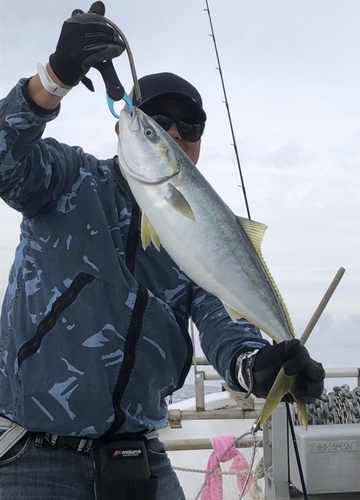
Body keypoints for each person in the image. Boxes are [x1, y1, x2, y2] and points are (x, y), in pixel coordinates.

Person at [0, 3, 325, 499]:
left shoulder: (206, 233)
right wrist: (52, 80)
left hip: (141, 458)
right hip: (34, 455)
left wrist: (258, 364)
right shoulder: (68, 178)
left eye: (189, 127)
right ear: (122, 126)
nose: (174, 133)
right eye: (156, 121)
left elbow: (224, 321)